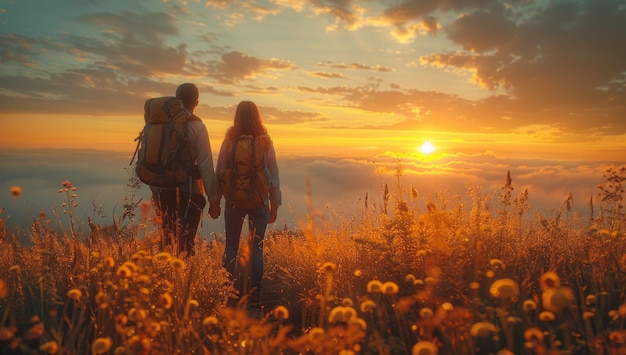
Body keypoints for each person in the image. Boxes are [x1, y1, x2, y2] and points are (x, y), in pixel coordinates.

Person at [215, 101, 281, 309]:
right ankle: (254, 295)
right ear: (257, 116)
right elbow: (273, 174)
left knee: (231, 246)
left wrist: (215, 200)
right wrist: (275, 203)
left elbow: (220, 170)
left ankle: (226, 292)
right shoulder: (265, 141)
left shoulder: (229, 141)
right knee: (257, 249)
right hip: (260, 200)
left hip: (234, 200)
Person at [151, 83, 221, 256]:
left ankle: (164, 278)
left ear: (176, 99)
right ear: (196, 102)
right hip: (190, 193)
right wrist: (213, 199)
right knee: (186, 245)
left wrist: (155, 192)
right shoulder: (197, 127)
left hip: (163, 190)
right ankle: (183, 281)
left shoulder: (161, 124)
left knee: (167, 242)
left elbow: (154, 159)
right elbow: (205, 164)